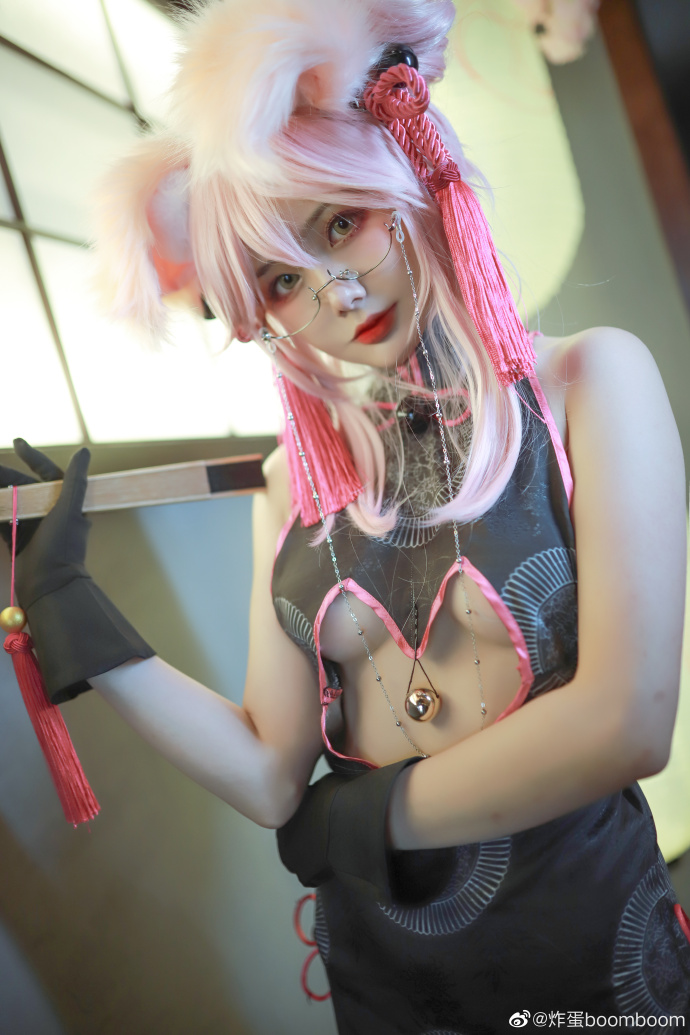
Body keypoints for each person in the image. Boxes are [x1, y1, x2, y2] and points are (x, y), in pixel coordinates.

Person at [2, 0, 689, 1030]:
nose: (332, 291)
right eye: (281, 279)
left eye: (339, 222)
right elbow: (271, 776)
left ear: (406, 172)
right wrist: (72, 609)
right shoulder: (296, 485)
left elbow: (627, 720)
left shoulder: (590, 384)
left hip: (597, 965)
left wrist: (371, 818)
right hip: (388, 986)